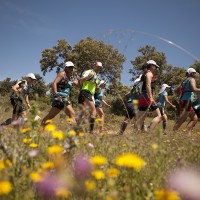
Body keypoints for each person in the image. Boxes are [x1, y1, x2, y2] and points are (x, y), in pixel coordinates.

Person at [41, 61, 79, 127]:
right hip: (60, 96)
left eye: (72, 67)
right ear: (66, 67)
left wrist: (78, 78)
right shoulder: (62, 74)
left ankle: (42, 128)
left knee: (50, 116)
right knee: (72, 114)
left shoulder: (70, 77)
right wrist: (56, 94)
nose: (71, 68)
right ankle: (71, 132)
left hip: (65, 97)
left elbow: (78, 86)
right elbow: (54, 83)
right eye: (69, 67)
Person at [135, 60, 162, 132]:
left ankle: (136, 132)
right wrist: (150, 97)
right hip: (147, 96)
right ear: (151, 66)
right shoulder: (149, 74)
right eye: (155, 66)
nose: (156, 68)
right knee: (159, 116)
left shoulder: (145, 74)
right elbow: (148, 85)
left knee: (141, 117)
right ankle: (149, 131)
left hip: (142, 96)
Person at [77, 61, 103, 134]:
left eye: (100, 67)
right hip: (85, 92)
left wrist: (99, 87)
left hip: (86, 93)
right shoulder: (89, 71)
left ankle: (78, 130)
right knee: (93, 111)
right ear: (94, 65)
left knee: (83, 114)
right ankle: (91, 131)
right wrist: (88, 76)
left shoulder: (96, 76)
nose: (99, 68)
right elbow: (81, 80)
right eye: (98, 66)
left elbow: (96, 87)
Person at [173, 68, 200, 134]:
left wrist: (182, 94)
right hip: (187, 100)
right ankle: (174, 131)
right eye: (194, 73)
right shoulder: (192, 79)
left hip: (183, 100)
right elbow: (194, 89)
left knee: (195, 119)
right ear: (191, 73)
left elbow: (176, 91)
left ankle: (187, 132)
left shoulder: (184, 81)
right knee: (182, 118)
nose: (195, 74)